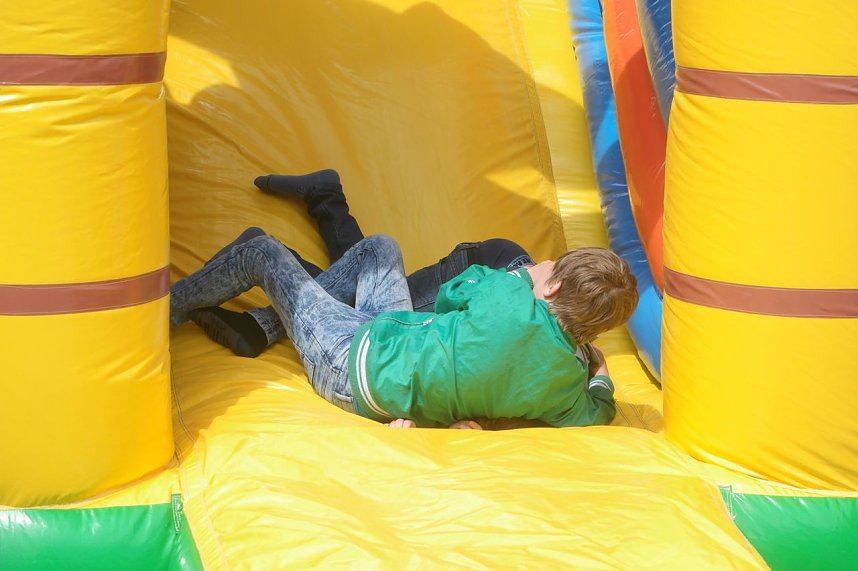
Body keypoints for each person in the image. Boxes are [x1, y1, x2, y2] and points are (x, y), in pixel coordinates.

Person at [170, 204, 639, 429]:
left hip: (352, 365)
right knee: (380, 249)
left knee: (260, 251)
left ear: (551, 287)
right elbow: (598, 411)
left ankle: (157, 310)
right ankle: (269, 322)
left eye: (549, 270)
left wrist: (524, 279)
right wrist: (598, 370)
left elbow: (453, 294)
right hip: (394, 344)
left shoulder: (512, 298)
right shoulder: (566, 383)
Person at [189, 169, 537, 358]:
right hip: (499, 276)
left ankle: (324, 198)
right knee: (375, 322)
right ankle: (263, 291)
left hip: (509, 275)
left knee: (369, 291)